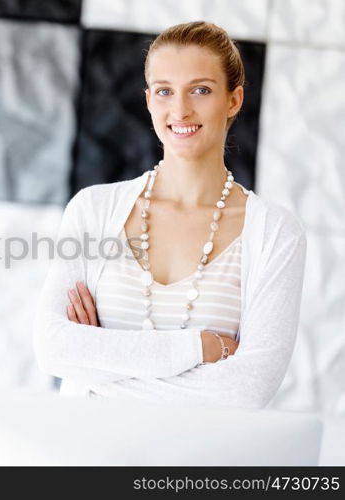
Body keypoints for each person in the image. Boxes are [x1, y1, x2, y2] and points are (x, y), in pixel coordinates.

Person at [32, 21, 308, 409]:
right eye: (164, 91)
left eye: (201, 90)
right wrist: (202, 346)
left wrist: (98, 371)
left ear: (233, 100)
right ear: (149, 101)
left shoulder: (274, 233)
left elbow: (245, 392)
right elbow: (52, 348)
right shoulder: (93, 210)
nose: (180, 109)